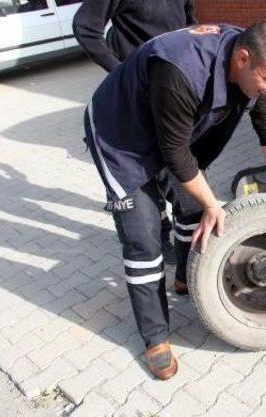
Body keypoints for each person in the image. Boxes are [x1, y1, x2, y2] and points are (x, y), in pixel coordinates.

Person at [83, 19, 266, 380]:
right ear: (243, 59)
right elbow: (175, 154)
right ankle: (155, 336)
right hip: (122, 139)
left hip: (173, 133)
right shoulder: (180, 69)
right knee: (144, 241)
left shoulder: (256, 67)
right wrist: (214, 203)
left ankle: (185, 277)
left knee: (193, 212)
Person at [73, 0, 198, 262]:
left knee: (176, 171)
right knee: (149, 171)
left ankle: (185, 252)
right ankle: (159, 238)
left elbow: (188, 24)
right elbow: (84, 27)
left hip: (173, 86)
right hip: (138, 89)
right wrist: (119, 70)